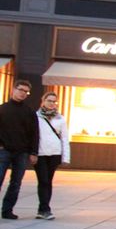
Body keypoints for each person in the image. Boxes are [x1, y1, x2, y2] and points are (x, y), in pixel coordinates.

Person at [0, 80, 38, 220]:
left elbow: (34, 133)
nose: (22, 93)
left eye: (25, 92)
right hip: (3, 151)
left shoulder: (29, 112)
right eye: (20, 90)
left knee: (16, 183)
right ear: (13, 89)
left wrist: (33, 152)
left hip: (21, 152)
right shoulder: (2, 109)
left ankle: (7, 210)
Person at [34, 92, 71, 220]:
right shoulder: (36, 117)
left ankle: (43, 208)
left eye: (54, 101)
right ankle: (45, 209)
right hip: (40, 153)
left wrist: (66, 157)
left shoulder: (60, 118)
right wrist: (32, 153)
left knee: (48, 181)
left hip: (55, 153)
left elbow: (64, 138)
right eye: (49, 101)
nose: (52, 104)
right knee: (43, 180)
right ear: (43, 101)